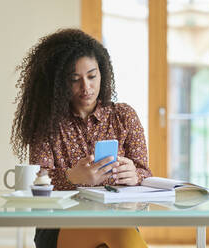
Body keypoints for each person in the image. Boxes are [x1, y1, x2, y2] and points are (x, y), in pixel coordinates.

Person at [11, 28, 152, 248]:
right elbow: (39, 183)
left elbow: (145, 172)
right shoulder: (47, 124)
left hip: (117, 220)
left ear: (102, 73)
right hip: (59, 225)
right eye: (75, 79)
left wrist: (135, 175)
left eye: (92, 76)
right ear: (59, 83)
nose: (86, 87)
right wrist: (71, 177)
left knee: (118, 227)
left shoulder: (124, 116)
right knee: (119, 231)